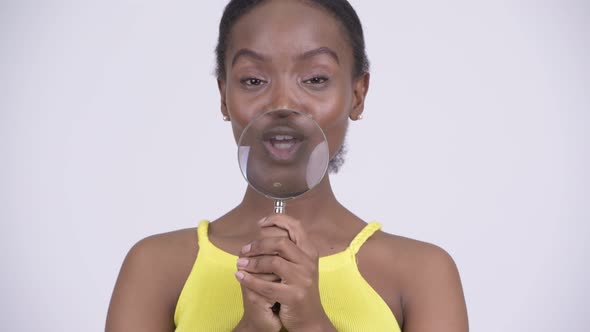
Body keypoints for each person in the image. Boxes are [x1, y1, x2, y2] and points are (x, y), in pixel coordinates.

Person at [105, 0, 469, 331]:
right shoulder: (155, 268)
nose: (282, 103)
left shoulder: (423, 274)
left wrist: (312, 323)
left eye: (315, 79)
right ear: (223, 96)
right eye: (253, 80)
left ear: (357, 95)